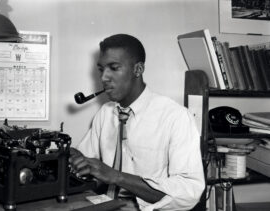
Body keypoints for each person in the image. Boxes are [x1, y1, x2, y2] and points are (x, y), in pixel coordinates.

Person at [69, 34, 205, 211]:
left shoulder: (176, 117)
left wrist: (117, 177)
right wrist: (74, 157)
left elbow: (189, 192)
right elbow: (88, 161)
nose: (104, 77)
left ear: (138, 69)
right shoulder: (105, 113)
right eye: (101, 69)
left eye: (114, 68)